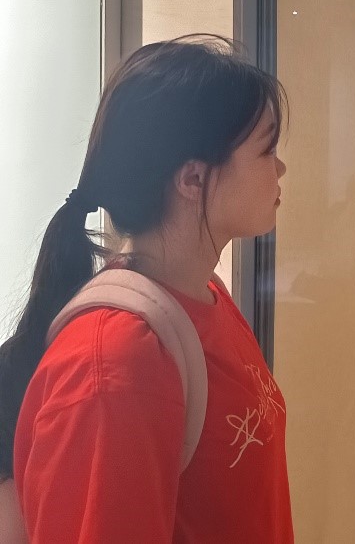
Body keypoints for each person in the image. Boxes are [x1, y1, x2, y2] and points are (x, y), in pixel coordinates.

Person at [0, 35, 294, 542]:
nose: (281, 168)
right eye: (267, 149)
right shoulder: (116, 363)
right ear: (193, 180)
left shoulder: (208, 298)